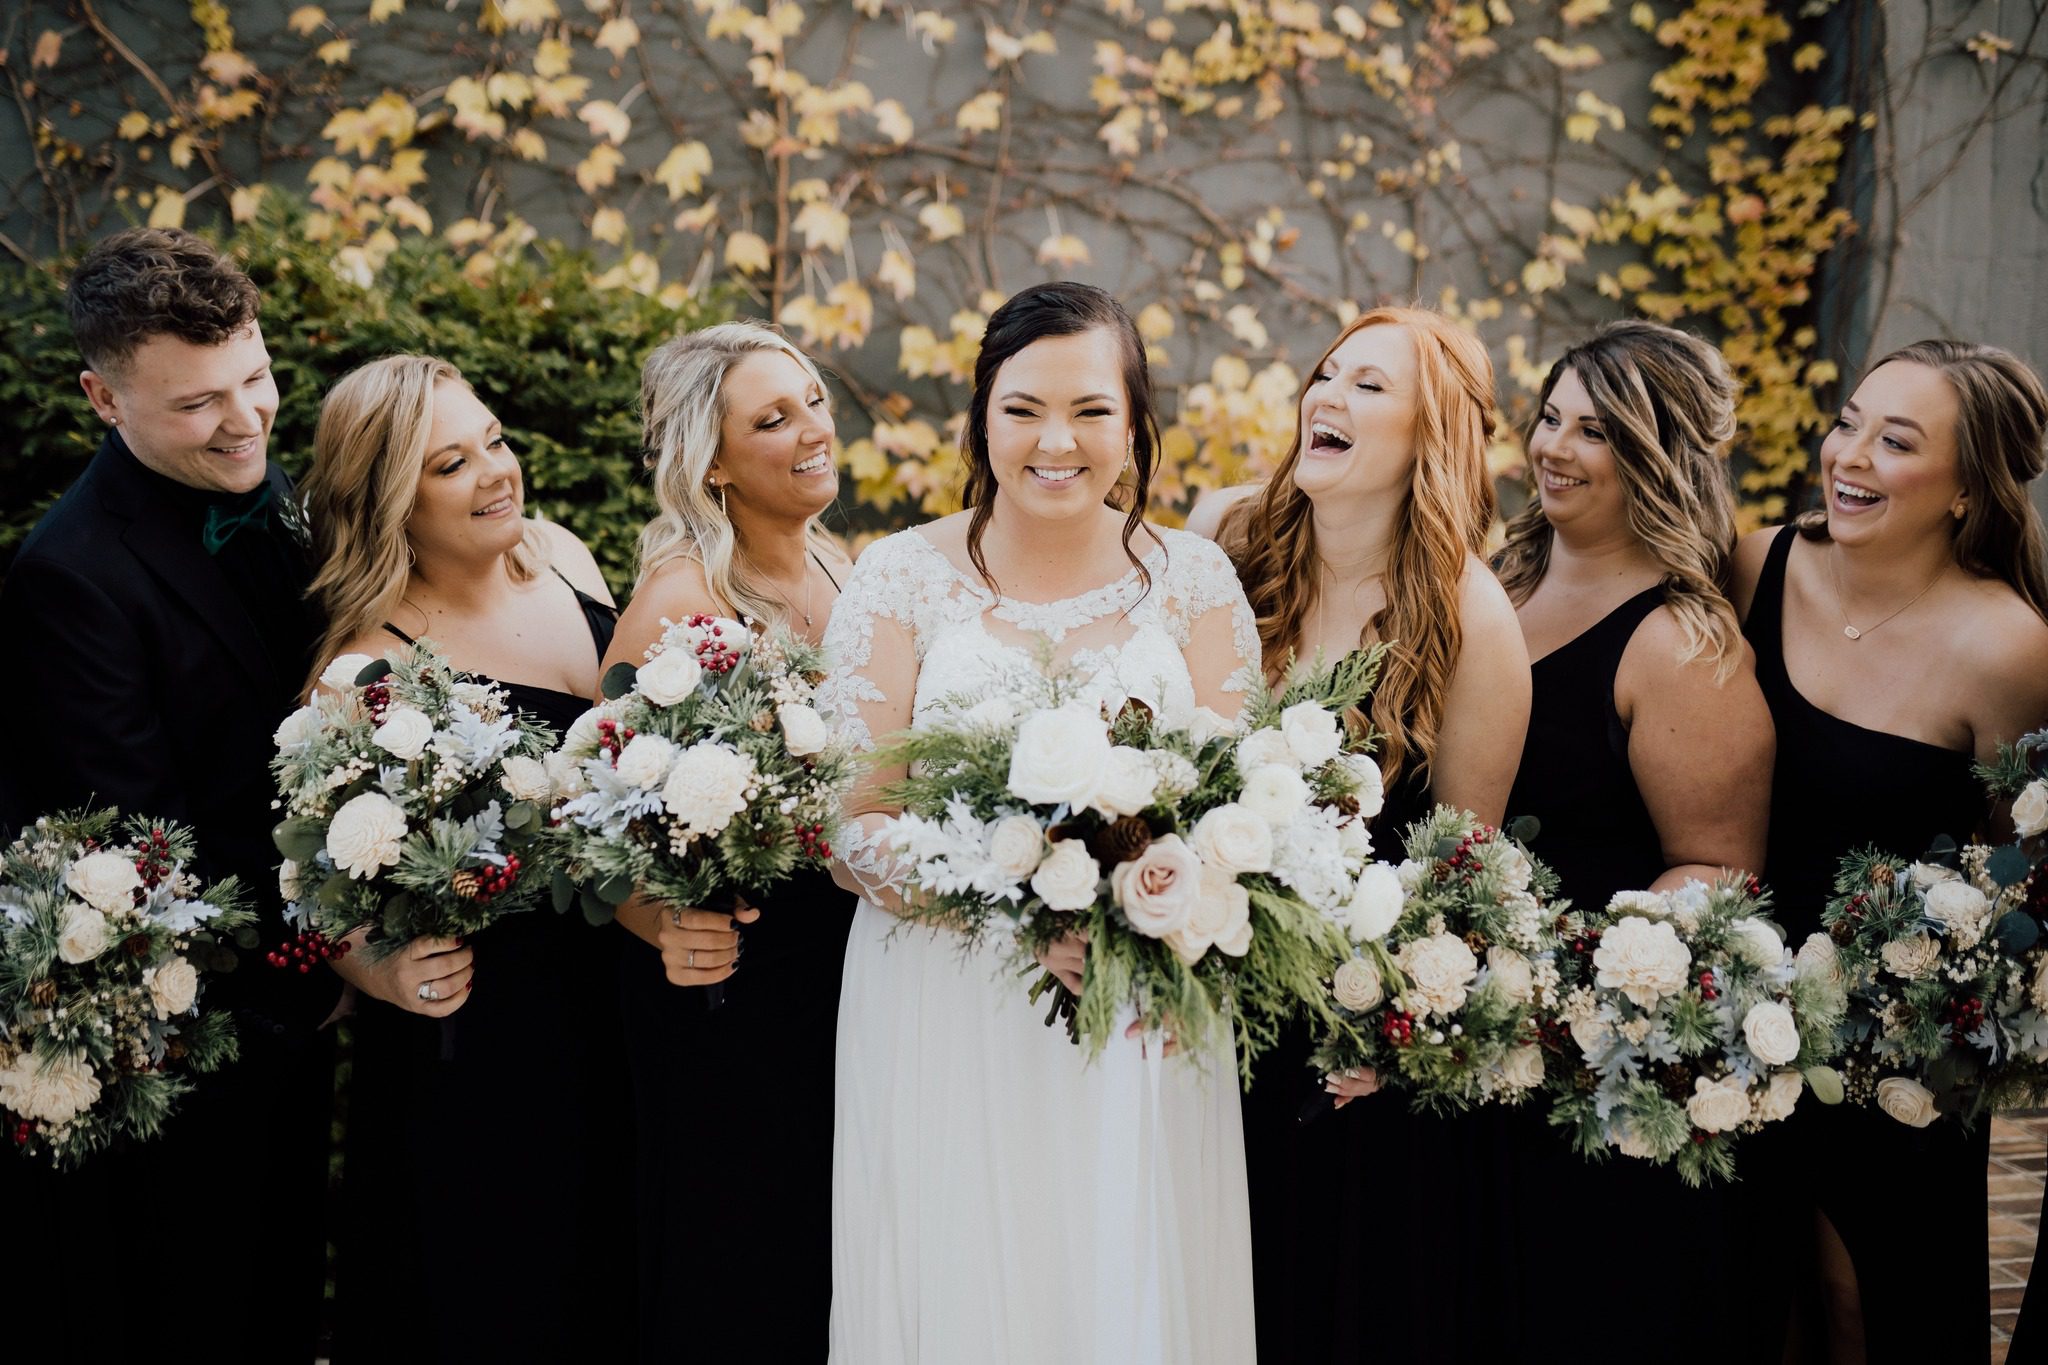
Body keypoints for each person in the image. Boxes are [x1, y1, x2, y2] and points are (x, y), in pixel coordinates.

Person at [819, 281, 1260, 1361]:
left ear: (1134, 422)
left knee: (1124, 1273)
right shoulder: (898, 580)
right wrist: (1021, 904)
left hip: (1140, 1004)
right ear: (979, 416)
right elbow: (852, 823)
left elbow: (1240, 805)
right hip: (942, 998)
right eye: (1020, 409)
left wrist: (1140, 918)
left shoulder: (1193, 582)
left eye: (1089, 410)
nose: (1053, 441)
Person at [0, 227, 332, 1361]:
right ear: (103, 398)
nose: (244, 422)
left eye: (255, 380)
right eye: (197, 405)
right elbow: (149, 850)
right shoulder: (67, 579)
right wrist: (331, 960)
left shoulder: (277, 491)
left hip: (311, 1016)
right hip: (199, 1043)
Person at [1190, 304, 1531, 1363]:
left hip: (1344, 1035)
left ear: (1432, 436)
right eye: (1324, 374)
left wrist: (1393, 1036)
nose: (1324, 397)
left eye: (1367, 385)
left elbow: (1458, 873)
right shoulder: (1222, 539)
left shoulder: (1471, 616)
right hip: (1197, 1001)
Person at [301, 355, 634, 1363]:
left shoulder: (564, 555)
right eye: (452, 463)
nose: (497, 472)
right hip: (486, 1048)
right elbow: (312, 884)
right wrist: (378, 968)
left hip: (616, 998)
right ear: (390, 501)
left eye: (492, 440)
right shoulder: (367, 666)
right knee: (497, 1300)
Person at [1731, 339, 2048, 1364]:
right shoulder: (1754, 565)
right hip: (1729, 1023)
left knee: (1865, 1315)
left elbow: (2016, 874)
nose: (1850, 456)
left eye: (1894, 441)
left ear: (1964, 489)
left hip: (1894, 1057)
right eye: (1847, 423)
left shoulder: (2004, 646)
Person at [1493, 320, 1774, 1360]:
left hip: (1580, 1061)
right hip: (1455, 1027)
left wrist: (1574, 997)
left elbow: (1716, 868)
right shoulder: (1497, 578)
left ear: (1658, 458)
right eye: (1548, 417)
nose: (1553, 448)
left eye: (1595, 431)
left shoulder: (1676, 644)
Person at [601, 321, 855, 1363]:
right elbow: (598, 820)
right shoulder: (682, 600)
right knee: (741, 1261)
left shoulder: (848, 573)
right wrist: (657, 917)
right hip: (733, 990)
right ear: (710, 462)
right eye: (772, 417)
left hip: (841, 969)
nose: (812, 429)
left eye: (811, 401)